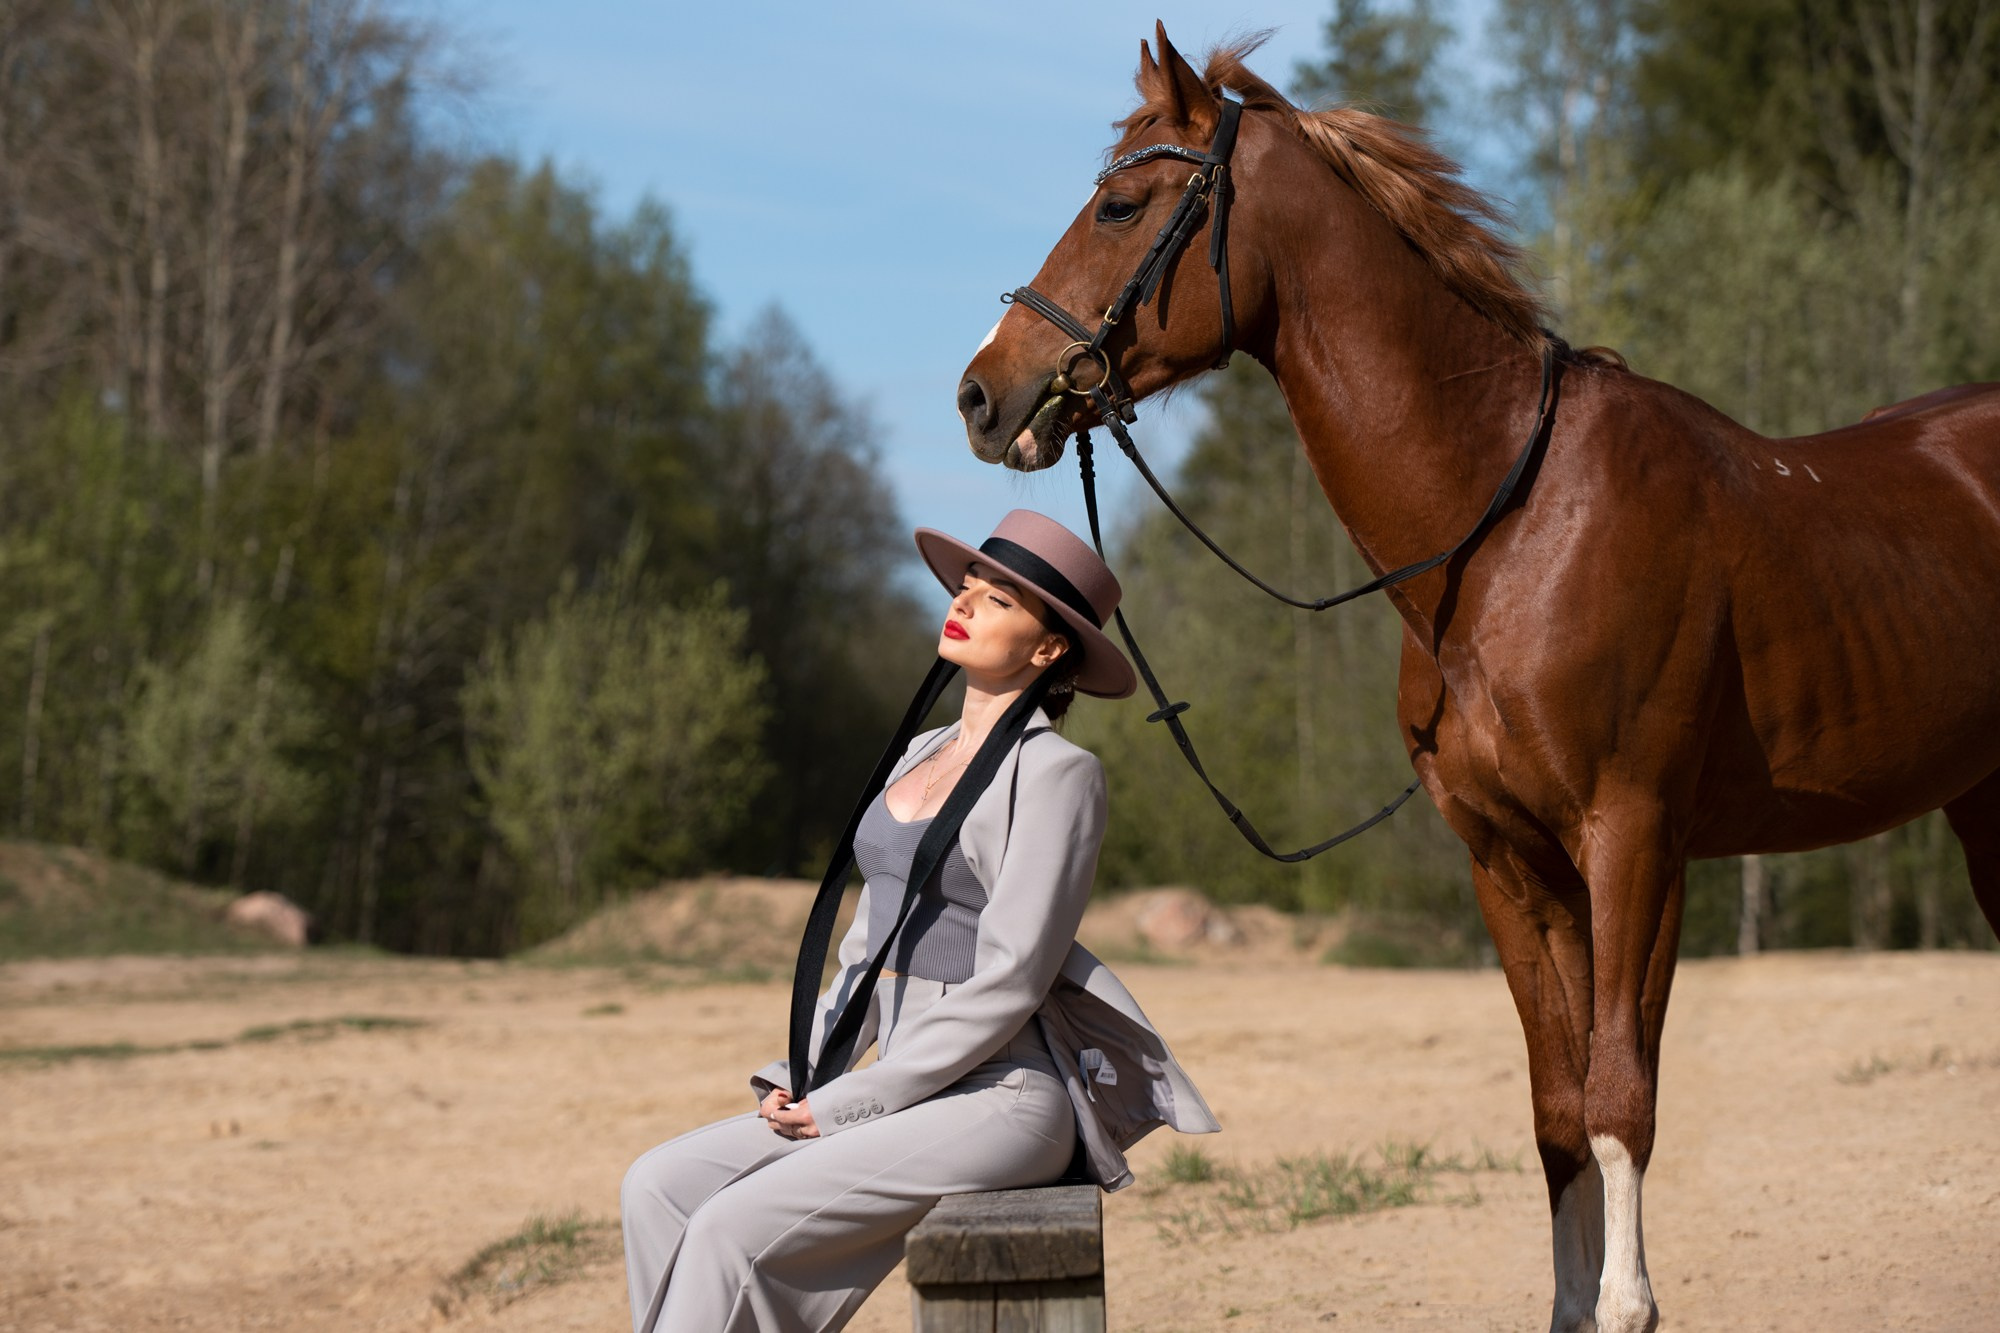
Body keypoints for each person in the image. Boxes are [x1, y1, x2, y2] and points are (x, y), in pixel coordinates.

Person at [620, 509, 1217, 1333]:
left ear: (1049, 649)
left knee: (731, 1228)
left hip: (1000, 1095)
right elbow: (868, 950)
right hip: (896, 1081)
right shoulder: (919, 752)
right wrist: (809, 1069)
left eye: (998, 599)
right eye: (968, 585)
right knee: (657, 1186)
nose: (964, 601)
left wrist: (853, 1100)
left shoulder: (1059, 773)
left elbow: (1011, 980)